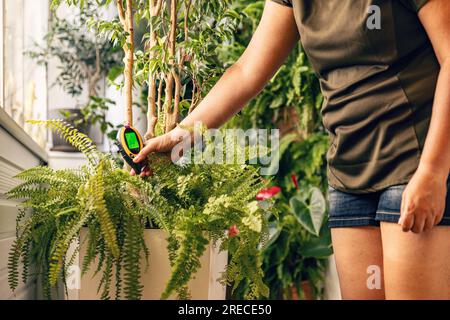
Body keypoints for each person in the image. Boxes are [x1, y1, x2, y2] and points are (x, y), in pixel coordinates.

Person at [131, 0, 450, 300]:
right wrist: (180, 136)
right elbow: (247, 71)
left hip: (415, 160)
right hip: (349, 171)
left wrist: (433, 171)